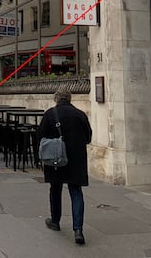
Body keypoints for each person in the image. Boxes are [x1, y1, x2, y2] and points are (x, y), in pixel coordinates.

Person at [38, 89, 92, 245]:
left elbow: (40, 136)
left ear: (56, 99)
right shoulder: (80, 114)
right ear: (70, 99)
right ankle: (78, 230)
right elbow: (88, 136)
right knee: (76, 191)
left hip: (56, 159)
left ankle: (55, 221)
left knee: (55, 189)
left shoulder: (50, 114)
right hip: (76, 159)